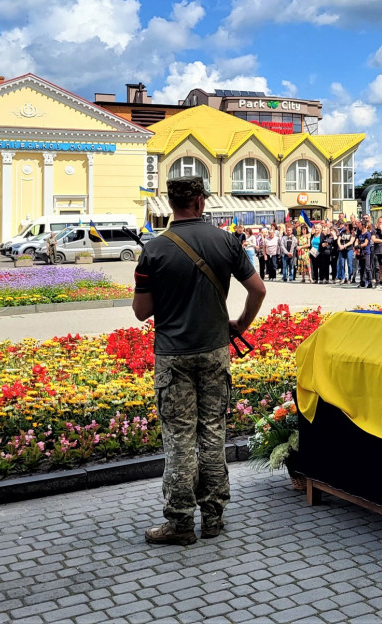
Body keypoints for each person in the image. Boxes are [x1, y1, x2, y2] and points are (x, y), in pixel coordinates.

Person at [132, 177, 266, 545]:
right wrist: (240, 323)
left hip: (174, 356)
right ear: (201, 202)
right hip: (214, 350)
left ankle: (179, 522)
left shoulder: (155, 249)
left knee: (178, 439)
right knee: (212, 434)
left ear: (171, 203)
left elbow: (142, 312)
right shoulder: (225, 241)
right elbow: (258, 289)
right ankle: (213, 518)